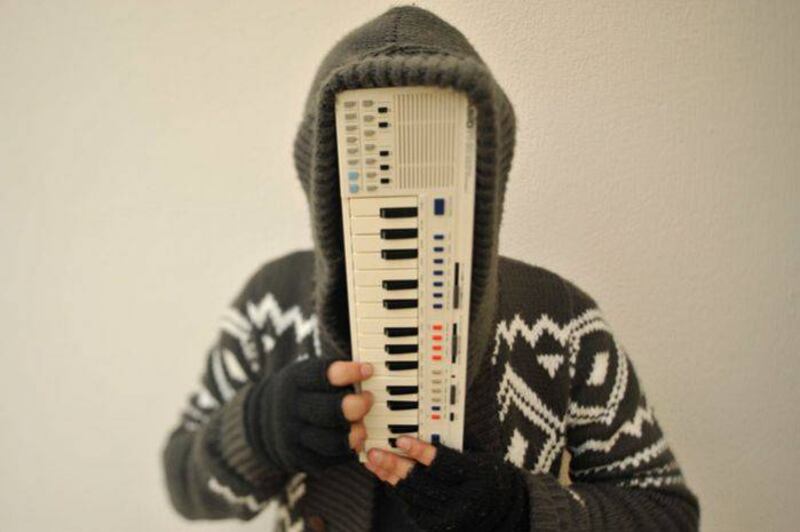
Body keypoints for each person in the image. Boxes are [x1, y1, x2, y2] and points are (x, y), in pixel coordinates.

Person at [161, 6, 699, 532]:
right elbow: (182, 482)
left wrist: (523, 511)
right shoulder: (271, 302)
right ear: (319, 172)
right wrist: (255, 432)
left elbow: (667, 512)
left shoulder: (560, 320)